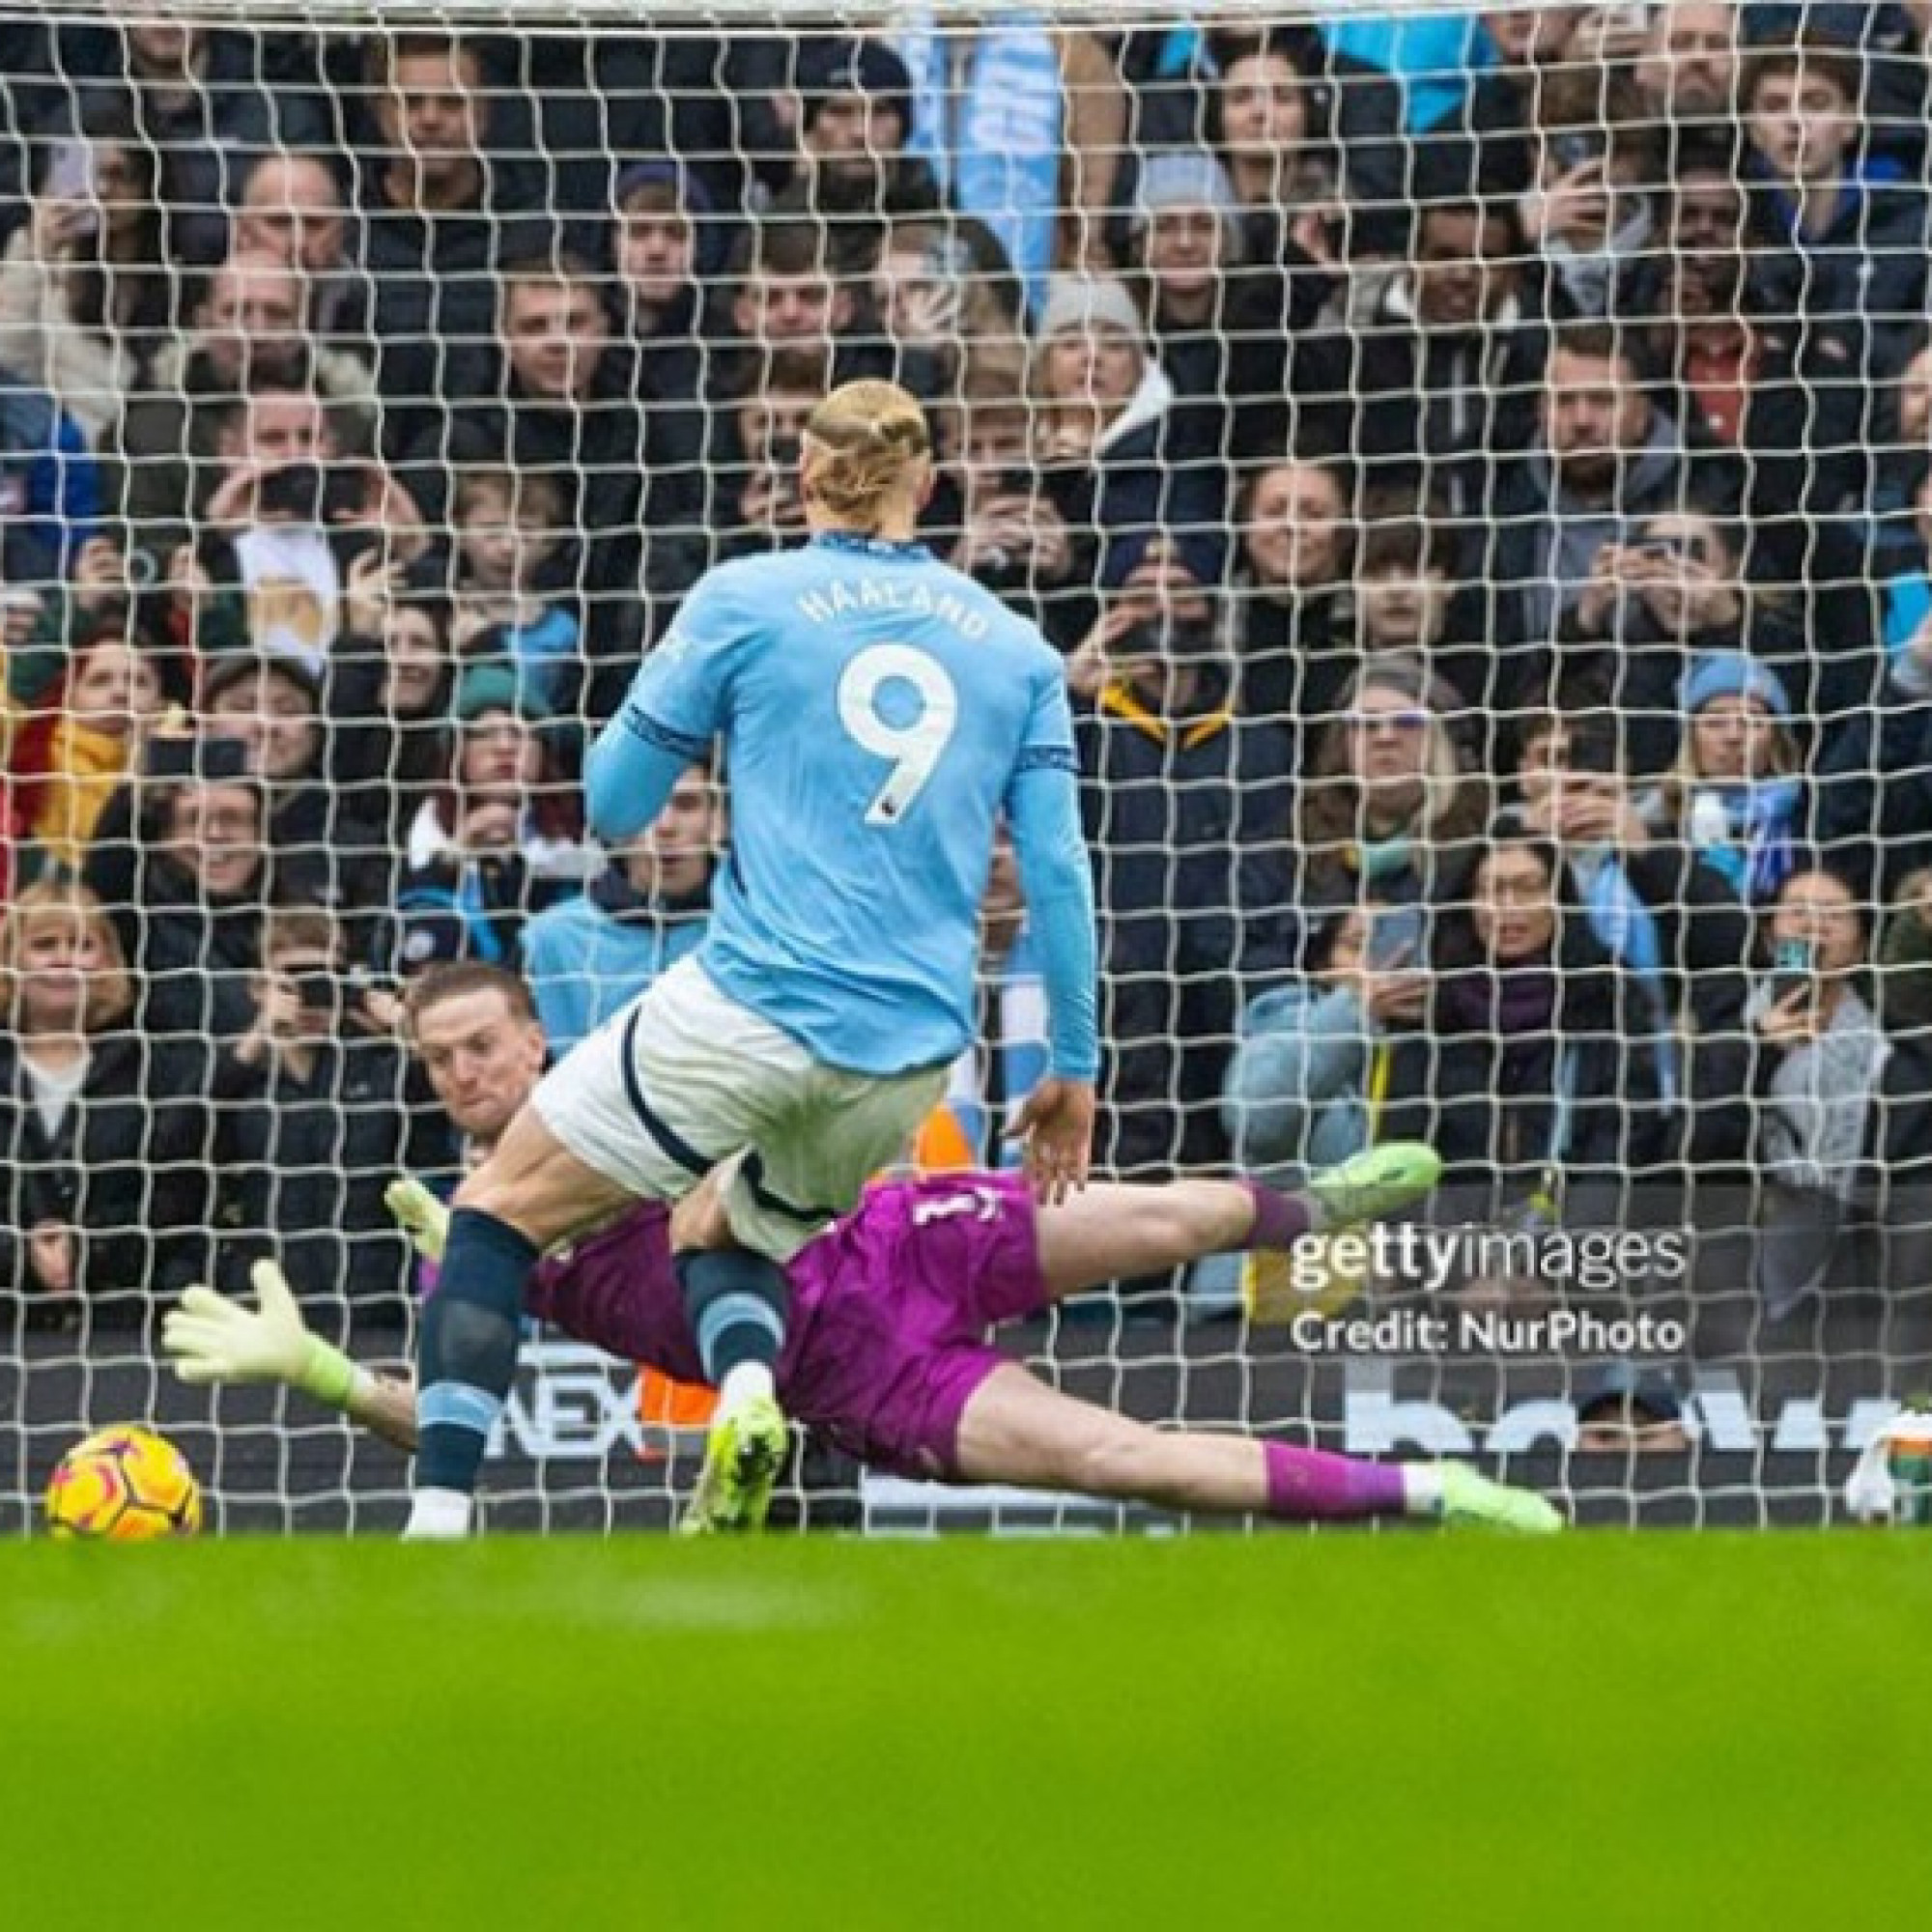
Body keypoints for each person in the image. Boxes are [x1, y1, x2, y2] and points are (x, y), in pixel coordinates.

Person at [404, 378, 1103, 1542]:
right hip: (912, 1054)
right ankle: (743, 1396)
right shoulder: (1022, 652)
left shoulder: (746, 598)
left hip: (754, 1001)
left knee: (493, 1215)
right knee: (729, 1223)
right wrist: (1072, 1062)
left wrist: (683, 708)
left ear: (803, 479)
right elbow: (1060, 869)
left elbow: (616, 802)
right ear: (929, 486)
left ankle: (433, 1519)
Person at [164, 963, 1555, 1533]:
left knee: (1176, 1216)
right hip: (860, 1380)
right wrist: (321, 1376)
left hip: (903, 1242)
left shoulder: (638, 1077)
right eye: (439, 1062)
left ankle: (1319, 1204)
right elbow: (456, 1422)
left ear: (537, 1039)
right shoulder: (478, 1243)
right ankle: (1433, 1492)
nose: (463, 1073)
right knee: (1118, 1461)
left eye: (481, 1045)